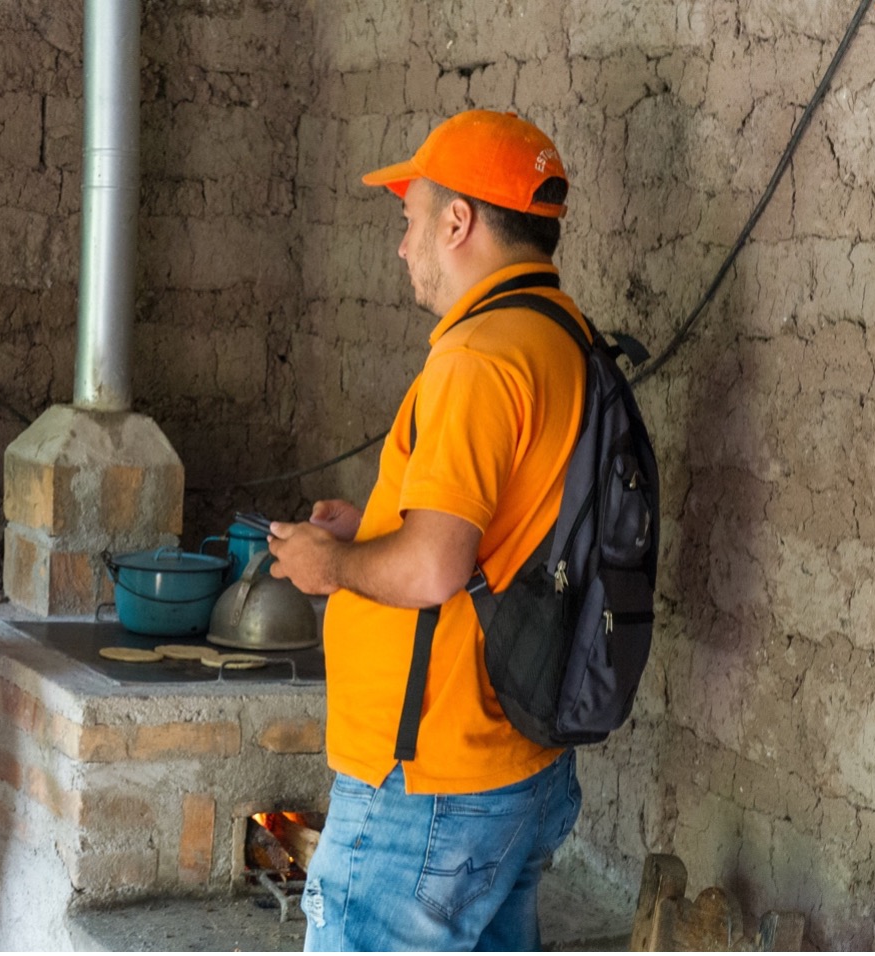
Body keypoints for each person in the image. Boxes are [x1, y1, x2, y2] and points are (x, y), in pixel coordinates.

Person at [267, 110, 586, 952]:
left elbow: (436, 566)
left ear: (458, 222)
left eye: (411, 221)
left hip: (430, 783)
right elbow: (505, 530)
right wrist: (367, 527)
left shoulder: (478, 359)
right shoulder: (560, 336)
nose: (402, 247)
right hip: (514, 762)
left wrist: (331, 565)